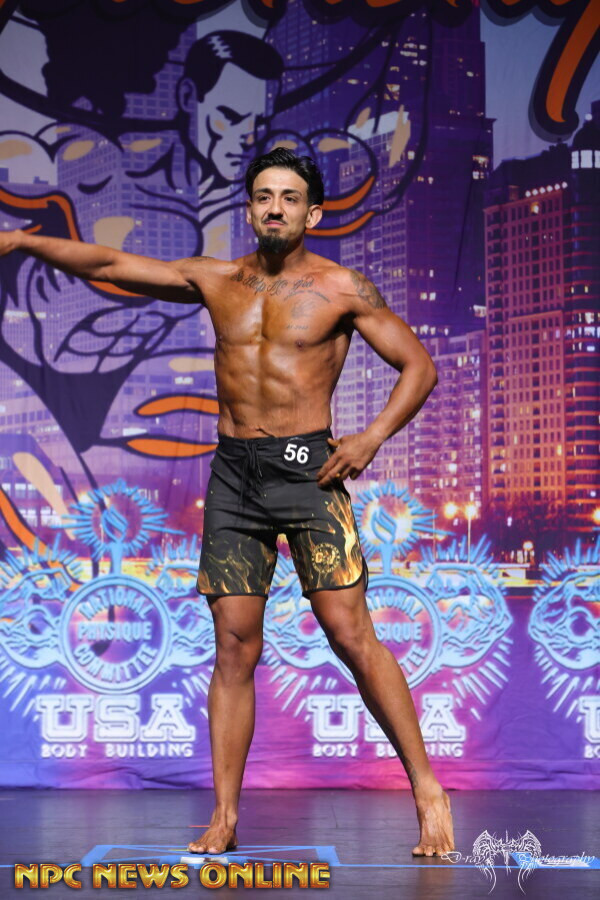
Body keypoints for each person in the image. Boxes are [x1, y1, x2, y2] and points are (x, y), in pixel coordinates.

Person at [0, 147, 454, 858]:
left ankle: (427, 790)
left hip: (307, 471)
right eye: (264, 196)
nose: (275, 207)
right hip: (235, 475)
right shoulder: (216, 280)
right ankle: (225, 815)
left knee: (350, 634)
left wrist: (369, 438)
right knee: (234, 645)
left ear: (313, 212)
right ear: (249, 208)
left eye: (290, 197)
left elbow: (418, 367)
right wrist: (24, 241)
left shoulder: (342, 288)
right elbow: (110, 264)